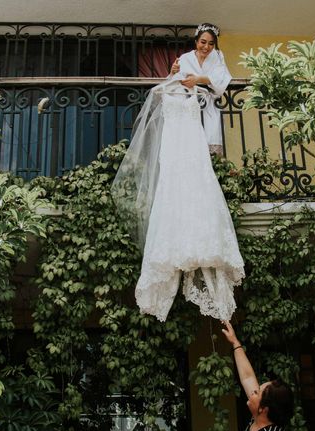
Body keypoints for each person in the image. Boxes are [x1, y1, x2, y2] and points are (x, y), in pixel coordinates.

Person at [111, 76, 244, 322]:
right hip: (174, 154)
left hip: (195, 154)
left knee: (198, 197)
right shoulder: (161, 93)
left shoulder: (197, 93)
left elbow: (213, 93)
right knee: (174, 198)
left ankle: (201, 252)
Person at [221, 320, 294, 431]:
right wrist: (235, 342)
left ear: (264, 408)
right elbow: (247, 377)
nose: (252, 392)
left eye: (257, 392)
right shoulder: (259, 421)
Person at [170, 23, 232, 156]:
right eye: (203, 42)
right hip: (189, 107)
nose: (206, 47)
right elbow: (175, 83)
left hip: (210, 105)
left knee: (211, 146)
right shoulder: (185, 58)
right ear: (196, 41)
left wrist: (198, 79)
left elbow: (221, 77)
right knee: (189, 147)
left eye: (211, 43)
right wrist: (173, 72)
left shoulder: (218, 55)